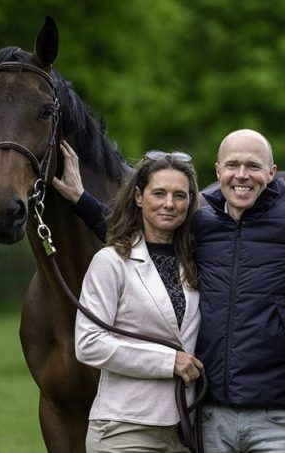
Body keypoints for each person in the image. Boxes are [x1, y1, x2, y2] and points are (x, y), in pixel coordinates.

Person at [53, 132, 285, 453]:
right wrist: (81, 200)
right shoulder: (200, 226)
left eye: (253, 166)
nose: (242, 175)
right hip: (212, 415)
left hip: (281, 416)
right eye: (232, 165)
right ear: (218, 172)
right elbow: (146, 232)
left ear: (271, 173)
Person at [74, 150, 204, 452]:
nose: (169, 203)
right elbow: (88, 343)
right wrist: (168, 362)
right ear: (138, 197)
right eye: (159, 193)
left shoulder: (195, 262)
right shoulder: (110, 262)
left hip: (184, 429)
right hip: (124, 428)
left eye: (179, 195)